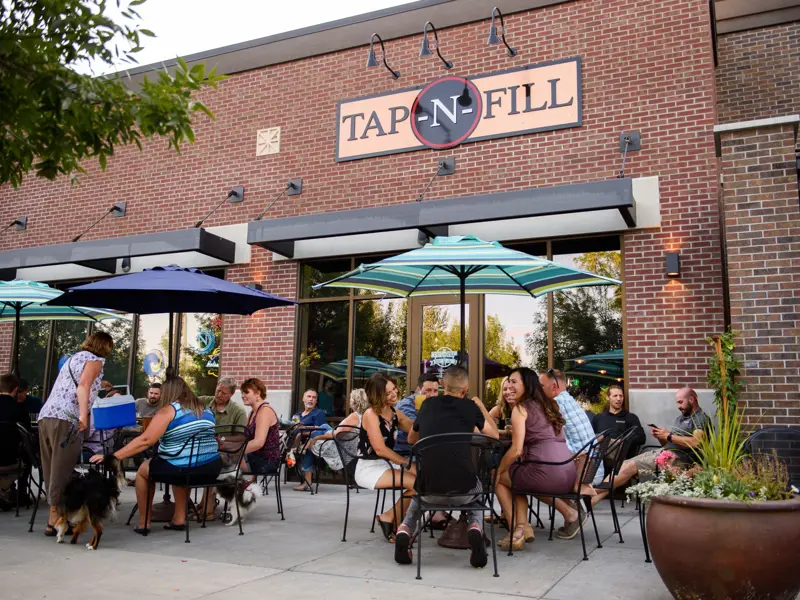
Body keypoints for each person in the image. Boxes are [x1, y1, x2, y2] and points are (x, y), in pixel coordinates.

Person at [394, 366, 498, 568]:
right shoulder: (470, 407)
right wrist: (481, 409)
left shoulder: (427, 405)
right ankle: (475, 526)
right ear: (466, 389)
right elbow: (494, 437)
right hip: (463, 491)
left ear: (442, 385)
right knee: (478, 487)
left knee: (418, 494)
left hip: (429, 492)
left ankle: (405, 528)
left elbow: (411, 439)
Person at [91, 376, 222, 534]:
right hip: (211, 468)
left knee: (144, 471)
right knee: (179, 463)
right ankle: (179, 519)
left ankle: (144, 522)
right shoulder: (205, 409)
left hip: (185, 469)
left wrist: (113, 457)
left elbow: (146, 440)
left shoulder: (169, 410)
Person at [38, 331, 113, 537]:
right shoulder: (96, 360)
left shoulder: (74, 358)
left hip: (47, 415)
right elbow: (83, 386)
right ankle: (55, 520)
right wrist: (83, 416)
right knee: (62, 470)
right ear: (105, 346)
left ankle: (56, 516)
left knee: (50, 468)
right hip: (66, 419)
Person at [495, 368, 578, 551]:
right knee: (516, 475)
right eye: (509, 381)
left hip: (546, 472)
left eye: (514, 382)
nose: (509, 385)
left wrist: (500, 469)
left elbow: (516, 450)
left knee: (499, 478)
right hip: (568, 472)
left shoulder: (520, 408)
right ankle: (524, 526)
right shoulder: (550, 404)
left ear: (527, 384)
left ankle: (516, 531)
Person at [599, 387, 711, 495]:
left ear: (691, 399)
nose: (678, 406)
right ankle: (592, 499)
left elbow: (697, 442)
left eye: (680, 402)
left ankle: (592, 492)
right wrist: (661, 436)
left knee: (629, 467)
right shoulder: (681, 418)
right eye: (677, 403)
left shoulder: (700, 418)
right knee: (624, 464)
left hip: (677, 459)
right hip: (664, 452)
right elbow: (668, 444)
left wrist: (668, 435)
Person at [356, 373, 416, 541]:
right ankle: (394, 520)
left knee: (423, 480)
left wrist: (425, 417)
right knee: (418, 483)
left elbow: (415, 432)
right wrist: (407, 464)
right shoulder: (371, 415)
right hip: (369, 468)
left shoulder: (394, 413)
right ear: (377, 395)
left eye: (394, 390)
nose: (394, 394)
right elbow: (380, 449)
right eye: (388, 392)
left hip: (386, 465)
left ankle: (391, 517)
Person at [539, 369, 604, 485]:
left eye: (541, 386)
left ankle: (569, 503)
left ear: (554, 387)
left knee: (526, 476)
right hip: (595, 471)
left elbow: (539, 434)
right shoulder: (569, 401)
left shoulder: (556, 405)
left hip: (582, 474)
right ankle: (573, 503)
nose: (538, 390)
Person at [307, 388, 368, 473]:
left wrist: (317, 438)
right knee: (324, 426)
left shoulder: (354, 416)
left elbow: (334, 435)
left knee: (310, 440)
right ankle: (301, 445)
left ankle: (301, 448)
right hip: (350, 446)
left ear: (353, 401)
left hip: (341, 450)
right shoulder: (366, 416)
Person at [0, 374, 31, 509]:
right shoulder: (19, 409)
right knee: (28, 456)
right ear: (16, 389)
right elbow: (28, 435)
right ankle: (20, 492)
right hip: (10, 460)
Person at [239, 377, 281, 476]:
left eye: (246, 392)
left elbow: (258, 442)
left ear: (257, 393)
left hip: (266, 460)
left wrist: (236, 451)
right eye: (242, 393)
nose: (242, 396)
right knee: (222, 458)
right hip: (254, 456)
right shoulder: (252, 413)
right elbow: (246, 439)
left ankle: (244, 487)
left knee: (226, 461)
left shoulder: (265, 411)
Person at [591, 385, 645, 459]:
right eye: (615, 396)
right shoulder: (598, 418)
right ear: (608, 397)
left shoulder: (631, 417)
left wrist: (623, 441)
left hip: (623, 460)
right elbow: (590, 438)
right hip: (599, 461)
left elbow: (641, 438)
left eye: (621, 396)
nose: (619, 399)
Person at [291, 388, 329, 491]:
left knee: (310, 446)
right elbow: (293, 429)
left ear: (316, 401)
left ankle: (307, 482)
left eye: (314, 397)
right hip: (297, 442)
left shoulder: (318, 413)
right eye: (309, 396)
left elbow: (319, 430)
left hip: (313, 442)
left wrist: (303, 432)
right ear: (303, 399)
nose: (311, 399)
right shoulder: (297, 415)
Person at [394, 373, 439, 455]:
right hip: (406, 453)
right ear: (418, 390)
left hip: (424, 452)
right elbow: (419, 433)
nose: (432, 395)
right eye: (428, 390)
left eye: (435, 391)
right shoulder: (406, 405)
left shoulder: (433, 404)